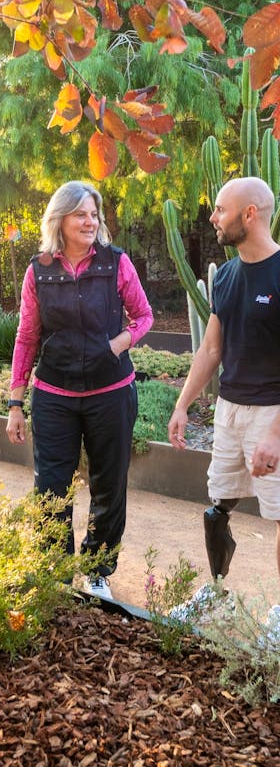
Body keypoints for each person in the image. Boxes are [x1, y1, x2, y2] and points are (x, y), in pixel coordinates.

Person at [6, 180, 154, 599]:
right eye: (81, 215)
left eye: (94, 214)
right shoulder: (38, 270)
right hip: (54, 395)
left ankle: (97, 571)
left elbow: (143, 316)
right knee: (51, 485)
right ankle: (54, 575)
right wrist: (16, 402)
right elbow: (26, 336)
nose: (91, 222)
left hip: (111, 392)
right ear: (61, 219)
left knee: (110, 484)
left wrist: (117, 344)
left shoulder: (116, 263)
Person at [168, 176, 280, 626]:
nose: (213, 218)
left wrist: (274, 434)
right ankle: (216, 593)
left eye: (220, 209)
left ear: (249, 215)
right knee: (218, 508)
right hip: (230, 411)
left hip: (272, 411)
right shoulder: (229, 275)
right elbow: (211, 348)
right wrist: (183, 404)